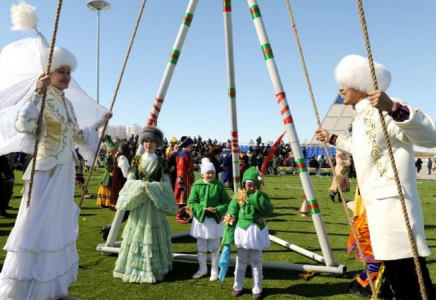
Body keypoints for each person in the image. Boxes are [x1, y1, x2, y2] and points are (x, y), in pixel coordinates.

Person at [316, 54, 436, 299]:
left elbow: (431, 137)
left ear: (359, 82)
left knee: (408, 273)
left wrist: (394, 108)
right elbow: (364, 147)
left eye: (345, 81)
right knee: (394, 271)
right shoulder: (360, 118)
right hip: (376, 208)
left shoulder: (388, 107)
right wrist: (333, 139)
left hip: (394, 206)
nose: (340, 88)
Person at [0, 48, 111, 299]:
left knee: (57, 225)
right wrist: (36, 96)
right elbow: (23, 125)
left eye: (69, 72)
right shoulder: (40, 98)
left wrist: (99, 124)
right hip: (45, 170)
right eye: (61, 71)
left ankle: (53, 289)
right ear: (46, 74)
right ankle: (25, 290)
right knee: (37, 226)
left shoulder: (66, 103)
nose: (66, 76)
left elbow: (77, 135)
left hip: (64, 170)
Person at [113, 126, 177, 283]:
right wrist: (139, 186)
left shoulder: (162, 161)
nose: (149, 144)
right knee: (137, 230)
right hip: (140, 201)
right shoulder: (136, 160)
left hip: (153, 203)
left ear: (158, 144)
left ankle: (155, 268)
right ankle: (135, 267)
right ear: (142, 142)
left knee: (153, 230)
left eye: (152, 141)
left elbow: (166, 181)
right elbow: (131, 179)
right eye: (146, 141)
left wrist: (153, 187)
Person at [222, 166, 273, 300]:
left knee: (256, 260)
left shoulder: (262, 195)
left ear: (257, 185)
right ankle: (237, 286)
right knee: (241, 260)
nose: (249, 188)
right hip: (242, 231)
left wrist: (256, 197)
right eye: (247, 185)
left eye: (252, 185)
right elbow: (232, 212)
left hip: (257, 231)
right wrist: (228, 234)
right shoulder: (238, 195)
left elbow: (267, 211)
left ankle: (257, 288)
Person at [187, 161, 230, 281]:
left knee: (214, 246)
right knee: (201, 246)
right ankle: (202, 268)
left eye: (213, 173)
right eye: (208, 173)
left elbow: (227, 202)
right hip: (201, 220)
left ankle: (214, 270)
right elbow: (191, 202)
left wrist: (217, 209)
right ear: (202, 174)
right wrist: (202, 208)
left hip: (214, 220)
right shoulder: (197, 185)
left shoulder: (219, 185)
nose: (210, 175)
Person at [174, 136, 195, 223]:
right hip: (183, 178)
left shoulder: (187, 153)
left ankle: (186, 214)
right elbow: (181, 169)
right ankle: (179, 216)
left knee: (187, 197)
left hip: (187, 178)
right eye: (191, 144)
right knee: (182, 197)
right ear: (187, 145)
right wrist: (181, 180)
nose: (192, 146)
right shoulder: (183, 154)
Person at [110, 141, 130, 211]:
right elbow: (125, 173)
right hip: (120, 182)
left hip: (118, 180)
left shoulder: (120, 156)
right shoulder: (122, 157)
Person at [96, 136, 116, 207]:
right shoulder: (108, 158)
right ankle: (103, 202)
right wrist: (113, 168)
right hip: (109, 174)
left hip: (112, 174)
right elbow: (107, 165)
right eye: (114, 150)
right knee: (106, 186)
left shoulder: (114, 157)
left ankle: (108, 202)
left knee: (110, 187)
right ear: (110, 151)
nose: (115, 151)